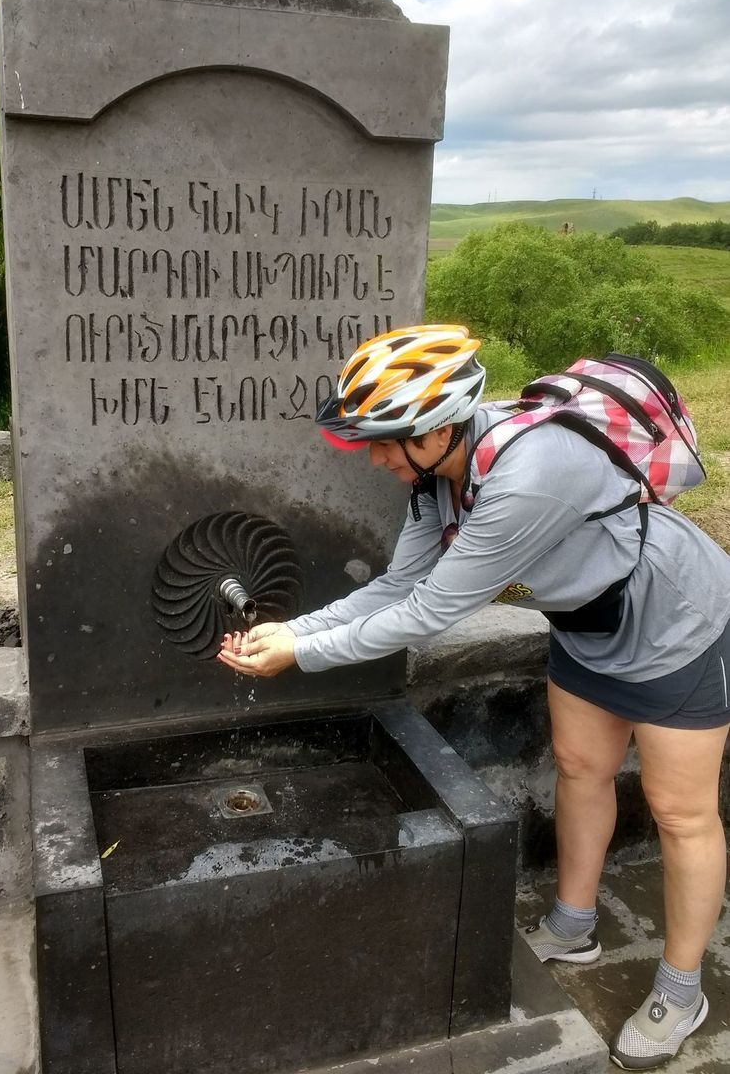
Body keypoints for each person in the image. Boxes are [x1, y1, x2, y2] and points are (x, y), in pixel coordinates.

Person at [217, 324, 730, 1070]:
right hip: (587, 623)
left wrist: (301, 654)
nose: (377, 458)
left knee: (680, 812)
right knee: (579, 767)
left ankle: (682, 991)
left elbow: (430, 612)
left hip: (676, 622)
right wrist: (293, 630)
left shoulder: (530, 475)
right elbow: (398, 585)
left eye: (387, 442)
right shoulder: (439, 475)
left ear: (441, 425)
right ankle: (574, 926)